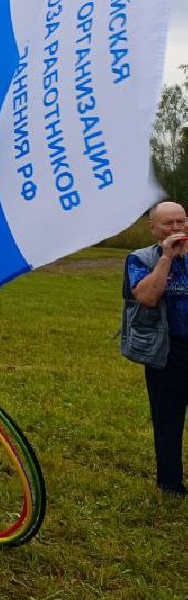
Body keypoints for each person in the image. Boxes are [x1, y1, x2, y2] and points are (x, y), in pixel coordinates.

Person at [126, 200, 188, 495]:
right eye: (168, 223)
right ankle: (171, 484)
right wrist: (166, 258)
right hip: (166, 351)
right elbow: (147, 298)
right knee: (168, 419)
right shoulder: (139, 259)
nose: (177, 228)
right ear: (153, 229)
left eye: (181, 221)